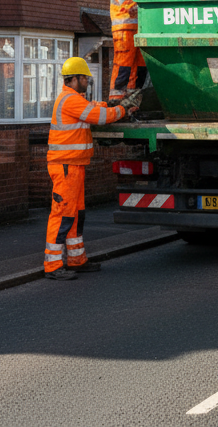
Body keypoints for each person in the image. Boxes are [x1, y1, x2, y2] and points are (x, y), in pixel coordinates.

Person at [45, 57, 140, 280]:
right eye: (85, 78)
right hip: (66, 166)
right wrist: (123, 110)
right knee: (62, 215)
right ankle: (53, 266)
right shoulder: (70, 100)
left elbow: (96, 107)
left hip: (73, 166)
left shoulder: (74, 99)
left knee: (75, 214)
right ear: (75, 79)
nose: (88, 81)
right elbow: (100, 116)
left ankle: (77, 260)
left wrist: (115, 104)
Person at [109, 0, 158, 100]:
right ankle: (116, 102)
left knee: (141, 69)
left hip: (140, 31)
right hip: (124, 32)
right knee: (124, 66)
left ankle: (132, 106)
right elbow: (131, 7)